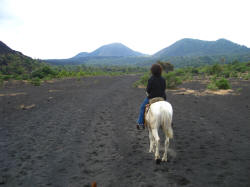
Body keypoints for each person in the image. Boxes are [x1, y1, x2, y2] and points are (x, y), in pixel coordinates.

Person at [137, 63, 166, 129]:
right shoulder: (163, 79)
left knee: (142, 107)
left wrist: (148, 93)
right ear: (160, 70)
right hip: (162, 98)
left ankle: (140, 123)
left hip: (152, 98)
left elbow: (148, 90)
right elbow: (164, 89)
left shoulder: (151, 79)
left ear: (152, 70)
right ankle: (169, 122)